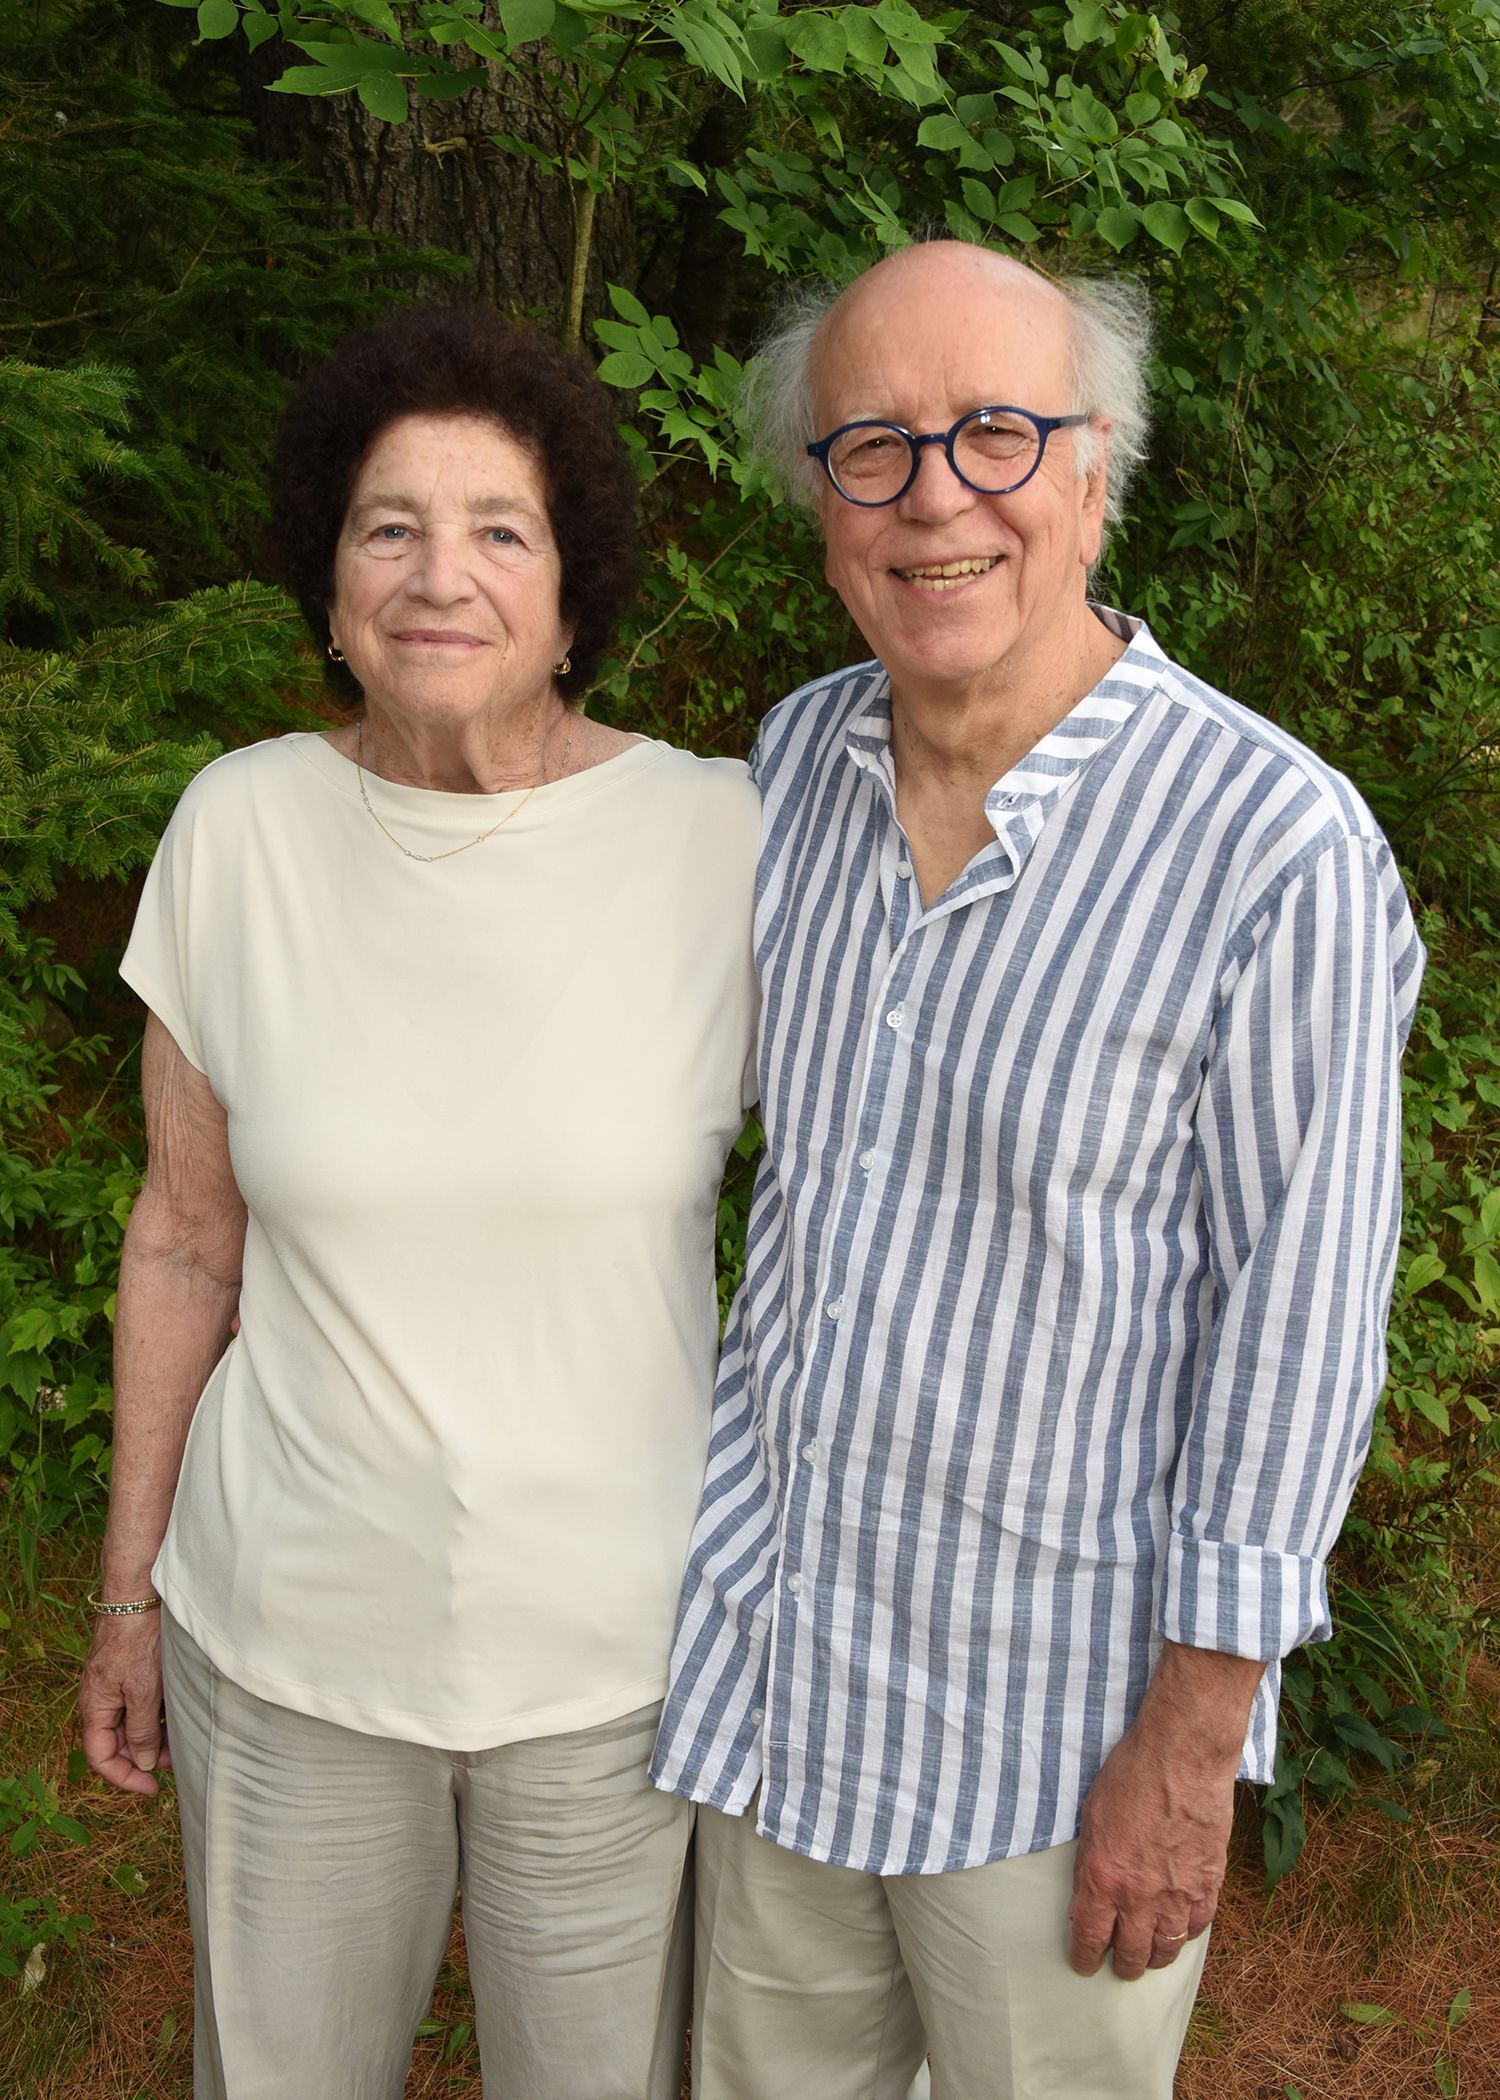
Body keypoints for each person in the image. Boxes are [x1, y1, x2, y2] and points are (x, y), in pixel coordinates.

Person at [650, 241, 1424, 2100]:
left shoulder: (1274, 845)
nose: (938, 497)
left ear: (1096, 473)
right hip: (782, 1678)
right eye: (876, 448)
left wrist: (1194, 1737)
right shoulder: (793, 771)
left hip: (1055, 1737)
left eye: (1000, 434)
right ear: (820, 506)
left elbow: (1301, 1328)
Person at [78, 304, 759, 2100]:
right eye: (389, 526)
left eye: (498, 530)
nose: (437, 573)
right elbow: (182, 1237)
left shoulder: (723, 844)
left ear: (572, 590)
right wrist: (125, 1598)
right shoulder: (237, 829)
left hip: (617, 1669)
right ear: (329, 581)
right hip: (287, 1648)